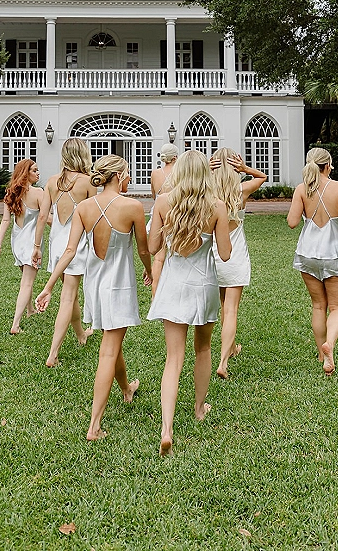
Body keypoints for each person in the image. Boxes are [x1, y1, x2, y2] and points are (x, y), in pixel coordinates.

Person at [35, 155, 152, 441]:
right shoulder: (133, 207)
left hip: (95, 287)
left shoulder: (85, 208)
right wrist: (151, 274)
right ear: (118, 175)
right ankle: (94, 426)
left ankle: (126, 389)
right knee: (108, 350)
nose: (130, 178)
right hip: (119, 285)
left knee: (113, 341)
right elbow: (143, 250)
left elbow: (70, 251)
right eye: (127, 173)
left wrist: (49, 285)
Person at [147, 149, 232, 457]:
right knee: (204, 349)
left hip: (173, 284)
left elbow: (153, 246)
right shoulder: (217, 206)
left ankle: (167, 428)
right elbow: (225, 254)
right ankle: (198, 408)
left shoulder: (163, 202)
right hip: (204, 285)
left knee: (173, 359)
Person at [287, 147, 338, 376]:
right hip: (334, 252)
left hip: (308, 252)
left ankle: (321, 352)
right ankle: (330, 345)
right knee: (337, 307)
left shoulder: (301, 189)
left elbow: (291, 222)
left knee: (318, 305)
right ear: (328, 165)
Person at [32, 138, 96, 367]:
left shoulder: (51, 182)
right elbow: (95, 218)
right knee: (68, 296)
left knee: (72, 295)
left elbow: (42, 217)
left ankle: (80, 334)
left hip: (56, 246)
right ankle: (53, 354)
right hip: (75, 247)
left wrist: (37, 247)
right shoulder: (88, 182)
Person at [209, 148, 267, 379]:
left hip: (213, 257)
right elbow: (262, 177)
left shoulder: (206, 193)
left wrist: (204, 170)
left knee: (223, 306)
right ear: (234, 170)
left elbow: (178, 185)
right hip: (234, 257)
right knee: (230, 309)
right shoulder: (241, 190)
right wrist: (245, 169)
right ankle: (224, 360)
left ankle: (231, 348)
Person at [0, 159, 45, 334]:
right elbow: (45, 218)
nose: (38, 173)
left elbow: (5, 220)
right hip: (31, 242)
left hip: (17, 241)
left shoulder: (11, 193)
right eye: (35, 170)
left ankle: (30, 309)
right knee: (27, 283)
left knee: (26, 278)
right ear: (26, 173)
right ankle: (15, 324)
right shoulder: (39, 193)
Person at [148, 143, 179, 294]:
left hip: (158, 213)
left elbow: (154, 195)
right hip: (176, 213)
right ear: (175, 157)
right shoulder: (180, 172)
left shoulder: (155, 173)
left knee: (158, 258)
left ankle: (155, 296)